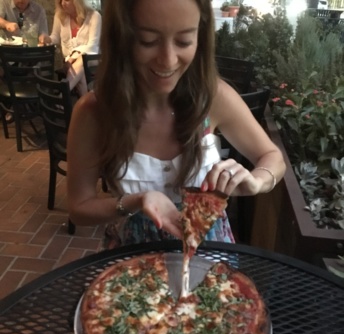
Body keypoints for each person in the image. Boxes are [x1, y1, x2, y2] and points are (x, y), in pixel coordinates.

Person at [67, 0, 286, 249]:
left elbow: (272, 157)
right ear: (122, 38)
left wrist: (257, 180)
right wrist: (135, 202)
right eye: (148, 41)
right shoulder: (95, 112)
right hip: (134, 260)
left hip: (211, 254)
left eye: (184, 41)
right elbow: (79, 208)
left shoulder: (213, 97)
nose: (168, 61)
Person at [39, 0, 101, 97]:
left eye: (67, 0)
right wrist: (47, 39)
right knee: (81, 79)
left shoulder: (94, 16)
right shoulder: (60, 16)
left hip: (90, 59)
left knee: (81, 61)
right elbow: (54, 37)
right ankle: (85, 107)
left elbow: (93, 45)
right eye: (60, 1)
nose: (63, 3)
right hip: (70, 61)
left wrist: (73, 56)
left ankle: (61, 97)